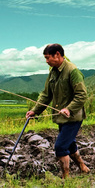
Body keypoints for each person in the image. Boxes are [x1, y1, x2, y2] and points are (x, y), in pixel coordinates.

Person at [26, 43, 90, 179]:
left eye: (48, 58)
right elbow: (46, 95)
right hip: (61, 117)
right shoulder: (53, 72)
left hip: (72, 117)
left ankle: (65, 177)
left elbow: (82, 95)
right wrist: (35, 111)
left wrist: (69, 109)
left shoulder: (73, 71)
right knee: (70, 145)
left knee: (60, 147)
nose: (46, 61)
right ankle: (83, 168)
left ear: (58, 55)